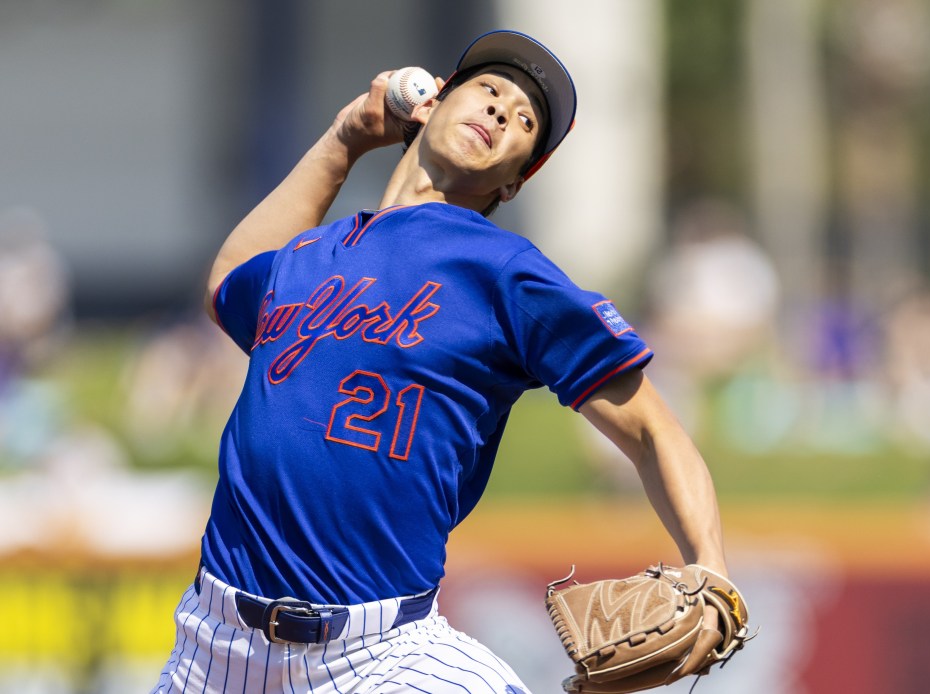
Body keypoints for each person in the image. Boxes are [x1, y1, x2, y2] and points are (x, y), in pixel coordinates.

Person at [153, 30, 731, 693]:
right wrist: (345, 137)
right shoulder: (314, 253)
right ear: (432, 103)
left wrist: (709, 566)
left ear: (514, 180)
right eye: (488, 90)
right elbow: (227, 282)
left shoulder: (508, 274)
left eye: (524, 122)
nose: (500, 113)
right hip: (213, 647)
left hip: (379, 657)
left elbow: (655, 431)